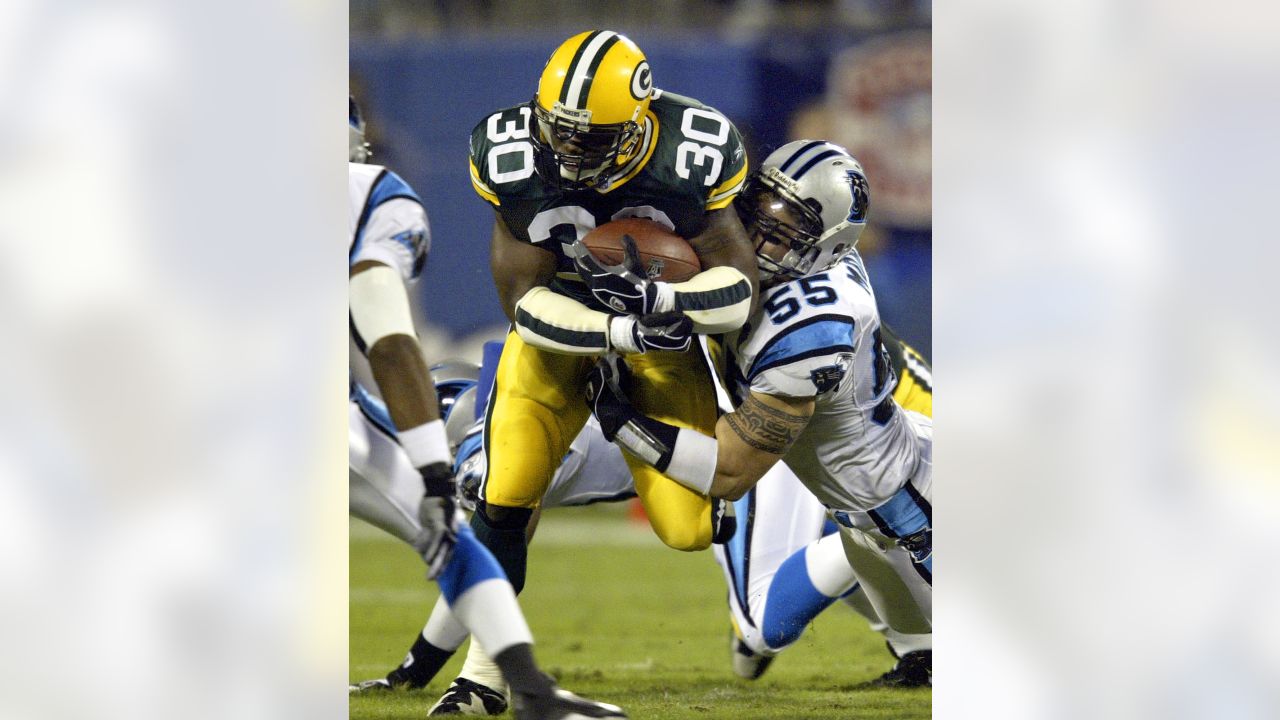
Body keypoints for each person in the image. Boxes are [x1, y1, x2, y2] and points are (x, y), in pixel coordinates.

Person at [398, 28, 762, 709]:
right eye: (556, 129)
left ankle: (612, 458)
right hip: (564, 333)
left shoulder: (691, 152)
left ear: (638, 126)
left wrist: (665, 301)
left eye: (588, 138)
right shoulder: (511, 155)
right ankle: (484, 676)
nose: (566, 149)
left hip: (661, 339)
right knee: (503, 493)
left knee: (687, 530)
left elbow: (739, 287)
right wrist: (615, 327)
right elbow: (524, 305)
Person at [585, 140, 933, 660]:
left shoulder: (808, 328)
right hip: (864, 514)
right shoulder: (761, 260)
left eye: (779, 233)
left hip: (918, 511)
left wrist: (620, 416)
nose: (753, 236)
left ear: (825, 249)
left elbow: (729, 472)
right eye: (756, 210)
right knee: (921, 646)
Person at [346, 96, 626, 720]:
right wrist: (430, 467)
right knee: (463, 520)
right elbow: (389, 342)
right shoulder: (370, 195)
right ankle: (521, 692)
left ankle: (505, 687)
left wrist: (411, 670)